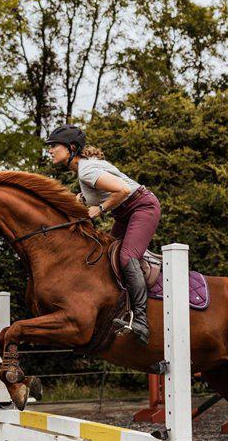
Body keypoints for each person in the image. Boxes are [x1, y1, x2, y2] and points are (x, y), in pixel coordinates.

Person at [44, 125, 161, 344]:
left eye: (53, 146)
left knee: (127, 257)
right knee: (106, 253)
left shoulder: (86, 170)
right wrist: (83, 200)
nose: (50, 151)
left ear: (71, 148)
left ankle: (142, 322)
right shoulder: (85, 170)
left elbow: (123, 191)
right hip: (126, 213)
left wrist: (100, 209)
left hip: (142, 208)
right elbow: (105, 191)